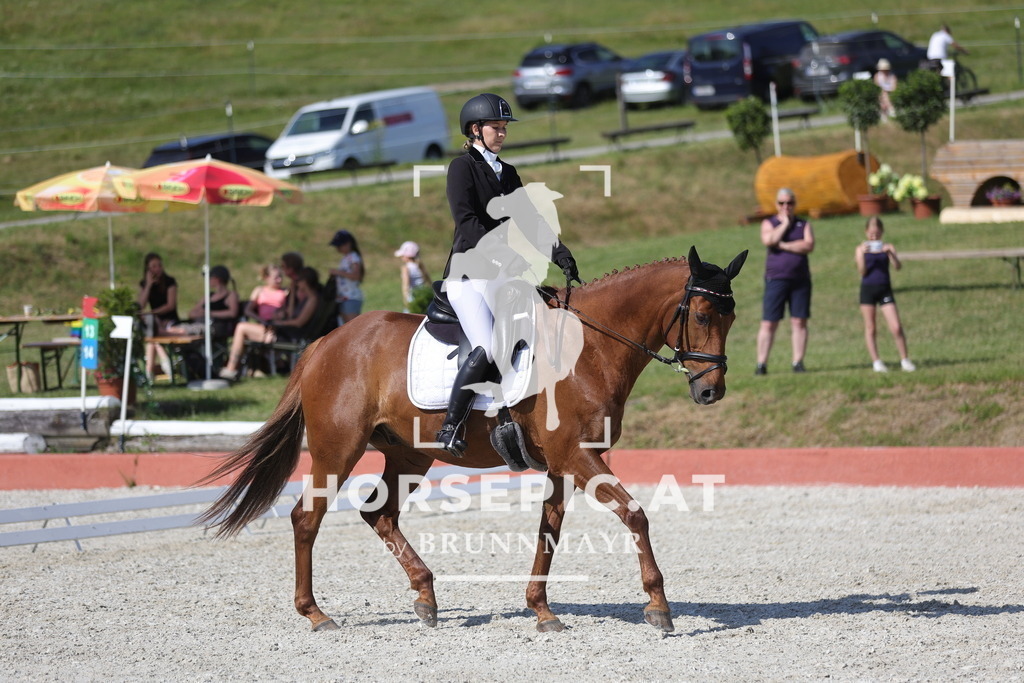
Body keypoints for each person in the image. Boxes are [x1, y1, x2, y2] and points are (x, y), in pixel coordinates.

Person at [435, 93, 579, 457]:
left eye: (503, 128)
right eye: (495, 128)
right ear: (474, 130)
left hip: (500, 275)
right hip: (469, 276)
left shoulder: (507, 172)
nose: (502, 134)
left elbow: (529, 219)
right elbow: (466, 222)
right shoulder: (461, 168)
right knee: (490, 345)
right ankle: (450, 426)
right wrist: (504, 256)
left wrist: (559, 253)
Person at [219, 267, 323, 380]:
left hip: (288, 336)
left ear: (305, 281)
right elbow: (291, 314)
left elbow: (298, 323)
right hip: (283, 332)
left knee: (241, 327)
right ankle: (239, 368)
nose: (296, 283)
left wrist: (277, 324)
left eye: (298, 281)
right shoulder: (306, 297)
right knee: (242, 328)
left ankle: (231, 369)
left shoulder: (312, 299)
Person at [755, 188, 815, 375]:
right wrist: (784, 225)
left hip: (800, 280)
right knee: (769, 322)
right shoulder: (769, 223)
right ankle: (761, 364)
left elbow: (808, 245)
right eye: (782, 203)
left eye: (789, 203)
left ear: (794, 204)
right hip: (776, 279)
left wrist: (784, 245)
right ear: (777, 205)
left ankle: (798, 362)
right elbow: (769, 240)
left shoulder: (803, 224)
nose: (786, 206)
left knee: (799, 321)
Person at [855, 217, 916, 373]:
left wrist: (891, 254)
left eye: (877, 234)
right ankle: (876, 361)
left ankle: (905, 359)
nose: (874, 237)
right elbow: (862, 271)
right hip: (867, 289)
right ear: (866, 232)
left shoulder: (888, 246)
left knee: (895, 326)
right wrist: (862, 254)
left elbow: (897, 267)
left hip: (885, 289)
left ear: (882, 232)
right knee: (871, 327)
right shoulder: (860, 248)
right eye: (871, 234)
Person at [165, 265, 240, 338]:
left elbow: (232, 313)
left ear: (217, 279)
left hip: (216, 327)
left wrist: (209, 313)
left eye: (210, 277)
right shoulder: (209, 296)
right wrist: (200, 313)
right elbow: (191, 313)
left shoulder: (231, 295)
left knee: (180, 331)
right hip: (199, 324)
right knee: (173, 329)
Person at [137, 252, 179, 379]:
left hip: (169, 320)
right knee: (153, 336)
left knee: (152, 338)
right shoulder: (145, 284)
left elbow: (170, 305)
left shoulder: (170, 282)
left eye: (159, 265)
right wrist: (148, 285)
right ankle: (164, 362)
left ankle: (150, 371)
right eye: (154, 266)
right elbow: (140, 305)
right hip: (154, 322)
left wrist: (152, 313)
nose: (158, 269)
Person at [327, 230, 364, 325]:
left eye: (339, 246)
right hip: (343, 298)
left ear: (348, 244)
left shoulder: (354, 258)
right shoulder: (346, 258)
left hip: (351, 297)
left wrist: (338, 272)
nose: (337, 249)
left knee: (353, 327)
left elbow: (356, 276)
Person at [395, 240, 430, 313]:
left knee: (410, 318)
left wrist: (405, 299)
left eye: (402, 255)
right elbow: (428, 280)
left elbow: (406, 285)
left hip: (413, 295)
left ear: (407, 256)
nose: (401, 257)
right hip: (422, 294)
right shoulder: (420, 265)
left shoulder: (406, 268)